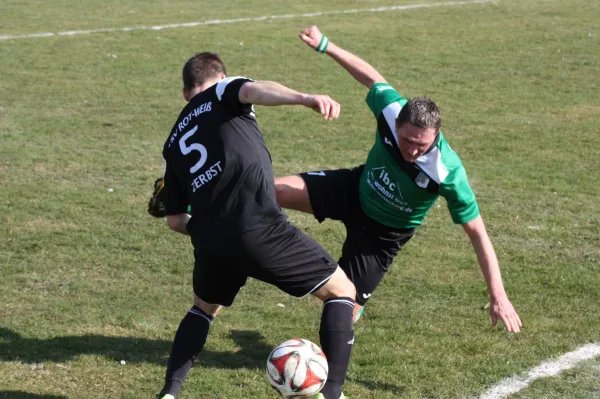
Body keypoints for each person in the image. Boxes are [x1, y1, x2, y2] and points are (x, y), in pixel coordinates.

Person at [275, 26, 522, 333]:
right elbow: (371, 78)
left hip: (384, 235)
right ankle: (220, 229)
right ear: (398, 123)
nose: (414, 150)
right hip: (355, 190)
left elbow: (478, 234)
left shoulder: (448, 171)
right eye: (408, 140)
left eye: (423, 144)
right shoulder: (391, 109)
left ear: (436, 135)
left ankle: (324, 369)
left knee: (341, 310)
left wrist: (498, 296)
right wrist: (327, 46)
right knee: (273, 190)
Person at [156, 52, 355, 399]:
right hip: (259, 227)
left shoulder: (172, 142)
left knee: (203, 309)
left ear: (186, 92)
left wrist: (207, 228)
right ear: (220, 77)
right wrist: (305, 98)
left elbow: (175, 220)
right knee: (342, 292)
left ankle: (169, 394)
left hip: (210, 242)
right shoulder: (222, 91)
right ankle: (333, 395)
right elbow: (254, 91)